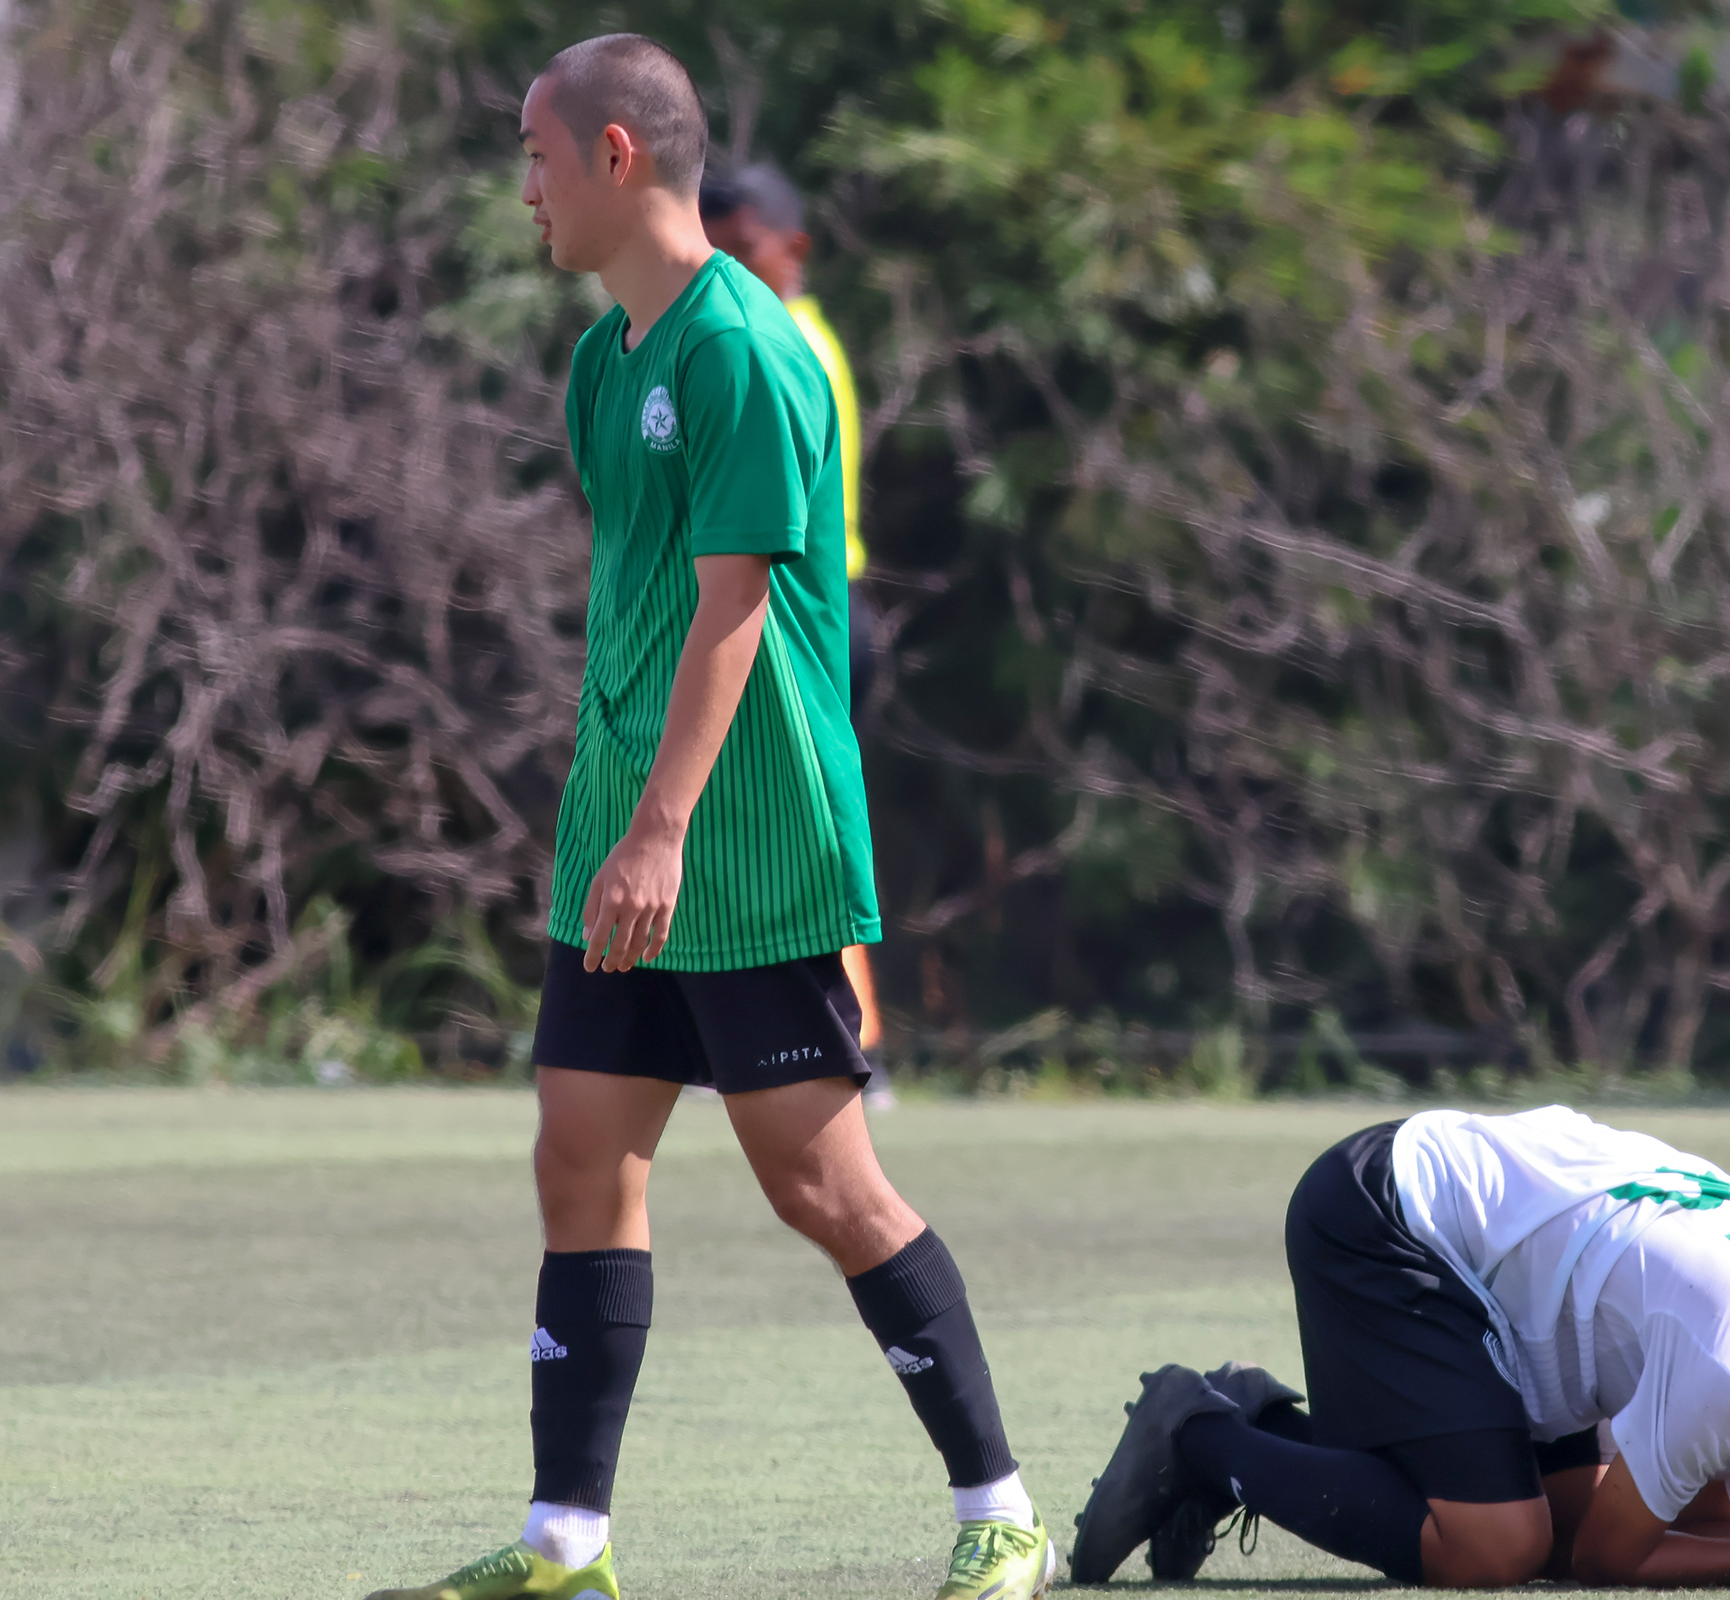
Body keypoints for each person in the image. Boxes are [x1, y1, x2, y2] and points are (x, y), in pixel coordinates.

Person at [361, 35, 1052, 1600]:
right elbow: (639, 605)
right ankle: (565, 1547)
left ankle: (1004, 1513)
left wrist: (667, 829)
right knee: (580, 1160)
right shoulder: (607, 362)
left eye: (537, 155)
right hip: (624, 838)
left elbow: (733, 611)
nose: (522, 188)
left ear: (616, 157)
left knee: (825, 1189)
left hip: (739, 849)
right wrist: (617, 817)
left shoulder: (743, 350)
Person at [1072, 1105, 1730, 1590]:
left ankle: (1270, 1421)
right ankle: (1197, 1432)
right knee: (1496, 1548)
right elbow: (1613, 1562)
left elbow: (1701, 1529)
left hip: (1521, 1277)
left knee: (1551, 1532)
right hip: (1393, 1217)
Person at [698, 161, 896, 1112]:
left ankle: (848, 1046)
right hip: (799, 609)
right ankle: (743, 1036)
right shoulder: (772, 333)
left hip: (811, 613)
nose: (727, 267)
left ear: (795, 248)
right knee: (750, 826)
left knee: (805, 834)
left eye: (743, 249)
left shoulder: (785, 344)